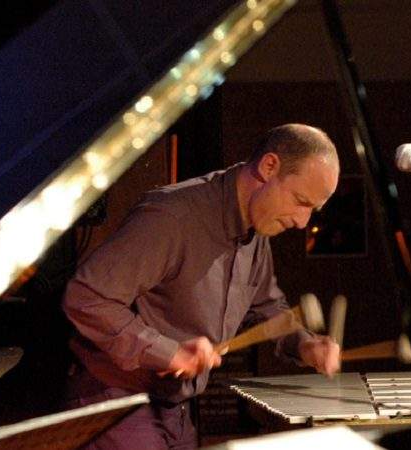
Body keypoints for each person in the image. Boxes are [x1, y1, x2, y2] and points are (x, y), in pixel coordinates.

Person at [62, 123, 341, 449]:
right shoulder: (173, 217)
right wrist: (168, 352)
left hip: (175, 410)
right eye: (300, 200)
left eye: (312, 210)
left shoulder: (257, 229)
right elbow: (87, 296)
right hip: (114, 402)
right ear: (269, 167)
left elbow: (266, 307)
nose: (302, 222)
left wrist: (304, 344)